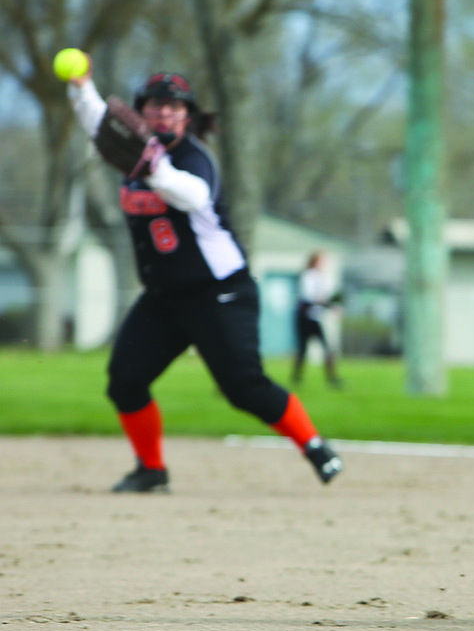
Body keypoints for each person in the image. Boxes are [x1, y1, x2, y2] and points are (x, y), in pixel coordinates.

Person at [65, 65, 344, 492]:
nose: (165, 113)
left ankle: (314, 446)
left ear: (188, 117)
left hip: (220, 293)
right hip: (163, 299)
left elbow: (190, 194)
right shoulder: (136, 150)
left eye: (175, 107)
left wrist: (154, 168)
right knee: (125, 380)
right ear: (140, 111)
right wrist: (81, 86)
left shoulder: (194, 159)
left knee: (244, 388)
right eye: (156, 104)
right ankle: (151, 471)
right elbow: (98, 123)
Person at [292, 250, 343, 388]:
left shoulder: (323, 277)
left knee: (326, 348)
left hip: (315, 317)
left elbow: (328, 296)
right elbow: (310, 297)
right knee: (302, 348)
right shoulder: (308, 276)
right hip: (305, 317)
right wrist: (328, 304)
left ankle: (332, 378)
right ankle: (297, 377)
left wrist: (334, 305)